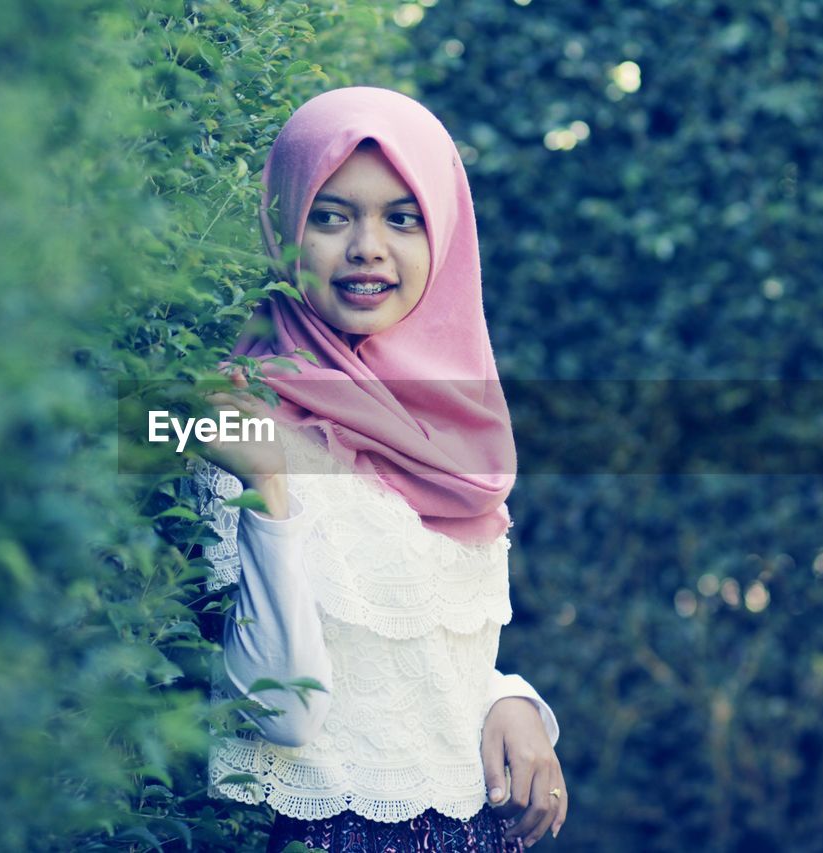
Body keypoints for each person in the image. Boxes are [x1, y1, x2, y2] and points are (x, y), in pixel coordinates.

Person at [191, 87, 567, 852]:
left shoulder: (461, 429)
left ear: (446, 236)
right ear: (284, 224)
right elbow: (280, 711)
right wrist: (269, 487)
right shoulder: (237, 416)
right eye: (331, 216)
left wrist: (515, 700)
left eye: (404, 217)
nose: (368, 246)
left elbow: (426, 656)